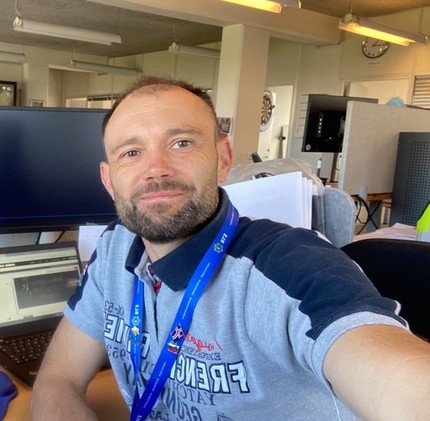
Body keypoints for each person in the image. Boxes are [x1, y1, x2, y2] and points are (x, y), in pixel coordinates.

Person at [31, 76, 430, 420]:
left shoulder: (291, 265)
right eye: (131, 152)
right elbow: (58, 378)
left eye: (181, 143)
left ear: (223, 159)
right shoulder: (115, 247)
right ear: (108, 179)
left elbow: (404, 384)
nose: (156, 169)